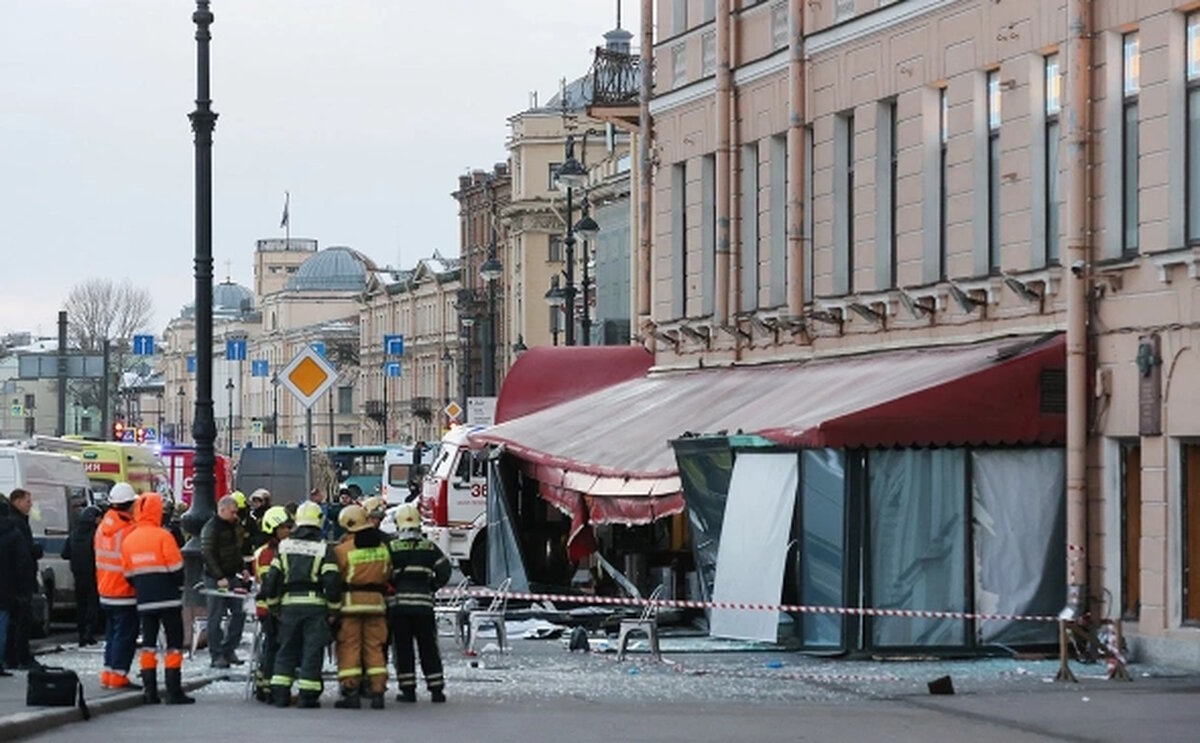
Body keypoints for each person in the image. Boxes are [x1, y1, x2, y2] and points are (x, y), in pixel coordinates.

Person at [263, 502, 342, 709]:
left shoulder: (284, 546)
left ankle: (280, 694)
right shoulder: (324, 548)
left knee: (286, 649)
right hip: (315, 607)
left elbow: (272, 580)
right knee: (312, 651)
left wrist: (274, 606)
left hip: (289, 607)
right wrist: (334, 609)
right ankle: (307, 696)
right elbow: (332, 581)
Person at [120, 492, 195, 705]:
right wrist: (177, 586)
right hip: (168, 599)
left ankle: (150, 691)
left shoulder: (129, 539)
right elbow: (176, 568)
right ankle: (173, 691)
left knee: (148, 645)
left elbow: (128, 574)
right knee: (173, 645)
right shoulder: (164, 536)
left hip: (145, 600)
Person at [385, 503, 450, 703]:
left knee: (403, 649)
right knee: (428, 647)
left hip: (400, 608)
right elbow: (445, 569)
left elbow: (384, 573)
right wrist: (432, 586)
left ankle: (408, 690)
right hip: (424, 607)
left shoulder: (391, 548)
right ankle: (436, 689)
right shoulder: (429, 547)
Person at [332, 505, 391, 709]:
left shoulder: (342, 551)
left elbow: (336, 578)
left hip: (351, 606)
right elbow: (386, 575)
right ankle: (378, 692)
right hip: (376, 605)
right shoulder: (382, 548)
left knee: (350, 647)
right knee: (374, 647)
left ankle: (351, 692)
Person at [94, 482, 140, 689]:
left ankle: (108, 673)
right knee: (125, 636)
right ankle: (119, 675)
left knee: (112, 634)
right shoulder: (129, 531)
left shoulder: (102, 527)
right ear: (129, 505)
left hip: (105, 589)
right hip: (125, 591)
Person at [200, 494, 247, 669]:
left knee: (240, 612)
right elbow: (207, 554)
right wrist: (219, 576)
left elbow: (235, 550)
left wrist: (242, 568)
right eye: (232, 512)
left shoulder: (232, 526)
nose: (235, 515)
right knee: (216, 615)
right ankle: (217, 654)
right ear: (222, 510)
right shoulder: (211, 528)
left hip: (231, 575)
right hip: (215, 578)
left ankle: (228, 649)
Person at [251, 506, 292, 703]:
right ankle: (267, 688)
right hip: (270, 607)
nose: (288, 531)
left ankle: (263, 685)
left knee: (271, 645)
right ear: (273, 529)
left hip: (272, 606)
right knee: (274, 646)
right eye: (284, 527)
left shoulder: (277, 549)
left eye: (289, 527)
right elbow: (271, 584)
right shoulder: (268, 553)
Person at [4, 489, 41, 671]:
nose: (30, 505)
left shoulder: (16, 521)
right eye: (27, 501)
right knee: (20, 621)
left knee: (14, 622)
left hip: (13, 581)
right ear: (17, 502)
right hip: (20, 581)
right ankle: (21, 657)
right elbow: (23, 554)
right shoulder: (16, 524)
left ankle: (13, 657)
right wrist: (36, 550)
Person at [61, 503, 103, 646]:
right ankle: (89, 633)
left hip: (77, 573)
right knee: (92, 604)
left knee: (81, 605)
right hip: (92, 573)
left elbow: (65, 554)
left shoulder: (74, 533)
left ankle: (81, 634)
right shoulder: (96, 534)